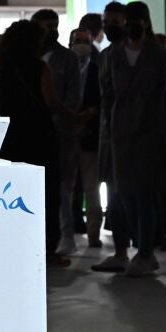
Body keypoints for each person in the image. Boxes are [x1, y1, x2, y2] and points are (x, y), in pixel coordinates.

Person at [95, 1, 166, 278]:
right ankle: (126, 250)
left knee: (145, 193)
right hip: (119, 133)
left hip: (150, 133)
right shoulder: (113, 55)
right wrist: (109, 125)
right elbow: (107, 93)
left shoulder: (159, 55)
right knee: (122, 193)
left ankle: (146, 251)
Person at [0, 20, 67, 265]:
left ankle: (14, 246)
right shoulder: (40, 68)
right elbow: (51, 101)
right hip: (40, 137)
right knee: (46, 195)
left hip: (11, 140)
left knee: (13, 195)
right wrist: (74, 116)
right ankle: (46, 249)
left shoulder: (1, 70)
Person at [38, 8, 82, 256]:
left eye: (55, 25)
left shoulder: (68, 58)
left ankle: (66, 236)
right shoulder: (28, 58)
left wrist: (61, 115)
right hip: (36, 132)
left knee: (63, 186)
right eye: (47, 26)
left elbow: (73, 95)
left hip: (61, 131)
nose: (52, 31)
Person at [70, 26, 105, 249]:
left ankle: (94, 233)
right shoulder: (63, 68)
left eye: (85, 41)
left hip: (90, 135)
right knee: (67, 188)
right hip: (67, 135)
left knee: (92, 188)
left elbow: (103, 99)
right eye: (78, 41)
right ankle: (67, 230)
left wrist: (89, 117)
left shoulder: (97, 68)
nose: (82, 45)